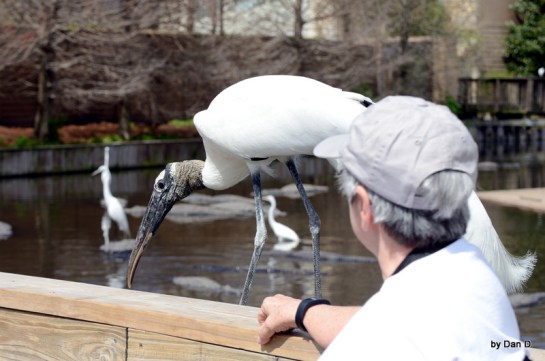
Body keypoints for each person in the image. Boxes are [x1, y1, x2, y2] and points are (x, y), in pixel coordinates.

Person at [257, 96, 529, 360]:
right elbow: (396, 325)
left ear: (366, 208)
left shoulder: (370, 345)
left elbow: (388, 331)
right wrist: (305, 311)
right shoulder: (474, 276)